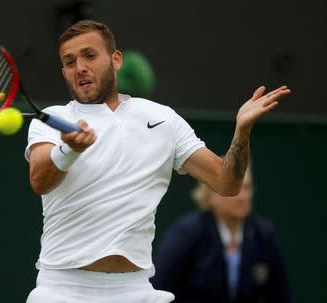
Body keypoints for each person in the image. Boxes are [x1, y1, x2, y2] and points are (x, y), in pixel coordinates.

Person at [24, 19, 290, 303]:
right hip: (63, 290)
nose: (80, 67)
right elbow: (40, 180)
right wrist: (69, 150)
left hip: (135, 290)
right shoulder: (53, 119)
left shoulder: (163, 119)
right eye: (69, 62)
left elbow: (226, 183)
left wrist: (241, 132)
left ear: (116, 60)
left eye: (89, 55)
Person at [151, 167, 292, 303]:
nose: (242, 196)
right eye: (233, 187)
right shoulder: (186, 234)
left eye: (246, 187)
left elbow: (280, 296)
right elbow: (159, 289)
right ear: (209, 195)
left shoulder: (263, 235)